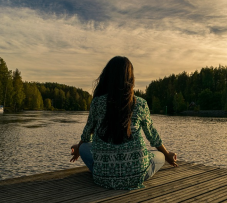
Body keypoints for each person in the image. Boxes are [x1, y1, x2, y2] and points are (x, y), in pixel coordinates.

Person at [70, 56, 177, 190]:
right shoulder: (141, 104)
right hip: (137, 175)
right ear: (131, 79)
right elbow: (153, 136)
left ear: (107, 77)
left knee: (85, 146)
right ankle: (150, 160)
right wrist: (168, 155)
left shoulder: (97, 102)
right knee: (159, 155)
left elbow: (87, 134)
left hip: (102, 178)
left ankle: (104, 168)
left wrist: (79, 149)